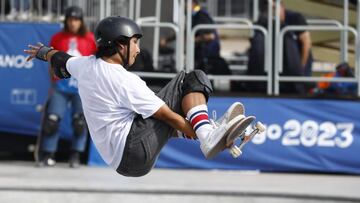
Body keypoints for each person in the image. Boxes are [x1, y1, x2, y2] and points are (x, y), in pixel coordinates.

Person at [25, 16, 246, 177]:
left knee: (168, 109)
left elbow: (60, 58)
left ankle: (207, 130)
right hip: (133, 151)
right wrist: (206, 138)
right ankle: (207, 132)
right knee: (191, 79)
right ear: (120, 44)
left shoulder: (84, 65)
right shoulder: (125, 81)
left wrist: (43, 52)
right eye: (135, 42)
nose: (138, 49)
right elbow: (169, 117)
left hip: (121, 159)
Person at [37, 6, 96, 168]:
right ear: (66, 21)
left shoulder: (90, 38)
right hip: (60, 86)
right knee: (52, 120)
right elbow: (51, 61)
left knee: (80, 122)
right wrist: (52, 83)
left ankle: (76, 154)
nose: (73, 23)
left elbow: (94, 64)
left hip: (81, 87)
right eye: (70, 19)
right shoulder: (58, 38)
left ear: (81, 21)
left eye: (76, 20)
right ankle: (48, 154)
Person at [247, 0, 313, 93]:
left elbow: (306, 44)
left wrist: (301, 68)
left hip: (298, 64)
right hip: (277, 69)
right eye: (266, 8)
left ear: (281, 6)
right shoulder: (263, 22)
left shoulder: (296, 18)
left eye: (273, 8)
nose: (271, 12)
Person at [161, 0, 230, 75]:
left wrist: (192, 40)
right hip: (199, 55)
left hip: (207, 56)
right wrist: (167, 40)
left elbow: (210, 36)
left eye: (184, 4)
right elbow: (185, 32)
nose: (183, 7)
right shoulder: (194, 16)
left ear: (192, 3)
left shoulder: (201, 16)